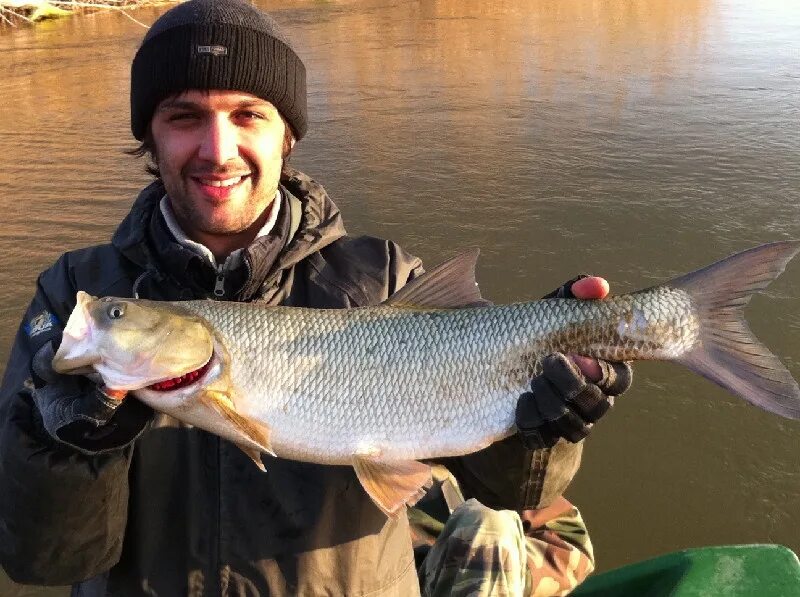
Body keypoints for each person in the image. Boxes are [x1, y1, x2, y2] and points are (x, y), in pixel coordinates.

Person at [0, 0, 632, 595]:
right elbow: (43, 557)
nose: (218, 151)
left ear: (288, 136)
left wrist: (543, 430)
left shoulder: (381, 278)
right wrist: (68, 445)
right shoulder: (71, 293)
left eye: (249, 114)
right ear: (151, 136)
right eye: (184, 116)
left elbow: (509, 491)